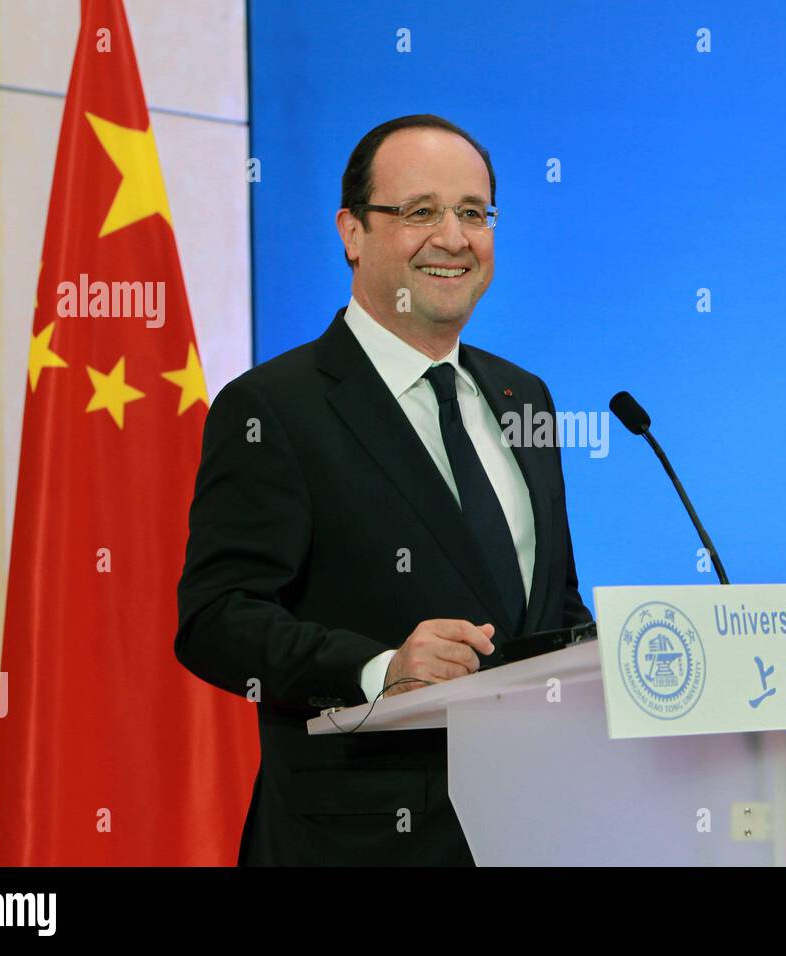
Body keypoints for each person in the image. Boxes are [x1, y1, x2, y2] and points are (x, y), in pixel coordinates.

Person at [174, 114, 593, 865]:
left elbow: (550, 609)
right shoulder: (275, 407)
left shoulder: (520, 397)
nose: (454, 237)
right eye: (419, 211)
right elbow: (217, 620)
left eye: (474, 213)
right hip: (354, 841)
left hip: (530, 828)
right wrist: (379, 669)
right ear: (353, 233)